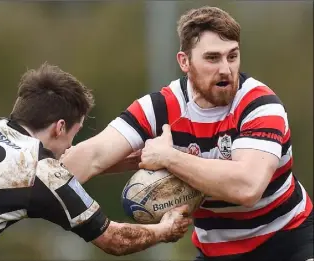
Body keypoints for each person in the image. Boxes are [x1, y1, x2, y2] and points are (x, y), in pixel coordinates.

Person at [61, 6, 313, 261]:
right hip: (215, 252)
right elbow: (92, 155)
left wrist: (169, 158)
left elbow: (247, 188)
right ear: (184, 61)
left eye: (232, 56)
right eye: (213, 58)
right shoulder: (160, 108)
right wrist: (34, 181)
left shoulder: (259, 105)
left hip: (288, 242)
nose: (226, 69)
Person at [0, 63, 193, 261]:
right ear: (60, 127)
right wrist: (164, 230)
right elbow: (114, 240)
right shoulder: (41, 170)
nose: (70, 146)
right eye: (74, 134)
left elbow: (49, 177)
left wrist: (123, 161)